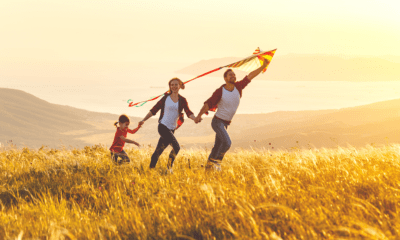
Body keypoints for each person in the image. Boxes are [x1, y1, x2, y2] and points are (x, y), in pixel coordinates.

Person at [195, 58, 270, 170]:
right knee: (227, 143)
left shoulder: (239, 86)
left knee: (217, 147)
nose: (233, 76)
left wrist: (263, 66)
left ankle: (208, 168)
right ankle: (217, 163)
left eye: (234, 75)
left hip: (225, 124)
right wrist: (199, 115)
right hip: (217, 122)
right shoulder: (220, 91)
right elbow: (208, 103)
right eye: (230, 75)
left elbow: (251, 75)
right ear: (225, 78)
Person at [139, 78, 196, 173]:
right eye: (172, 85)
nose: (174, 86)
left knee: (159, 150)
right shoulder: (165, 98)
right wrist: (143, 120)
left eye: (176, 84)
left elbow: (188, 112)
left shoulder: (182, 100)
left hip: (172, 129)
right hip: (162, 126)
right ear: (170, 86)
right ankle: (169, 168)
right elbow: (154, 110)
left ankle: (150, 170)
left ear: (180, 86)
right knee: (177, 147)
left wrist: (195, 118)